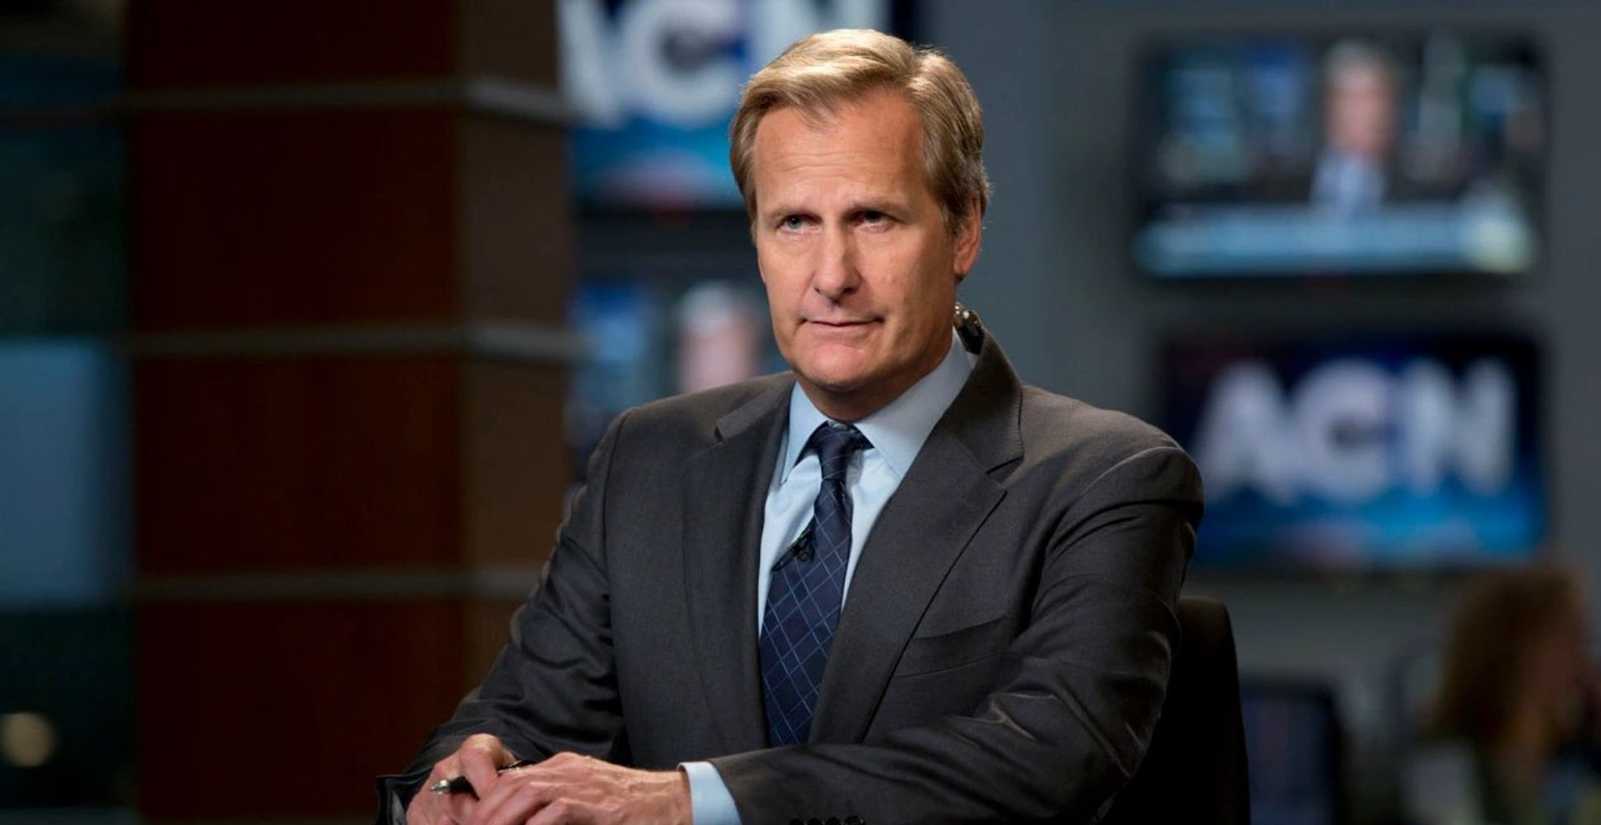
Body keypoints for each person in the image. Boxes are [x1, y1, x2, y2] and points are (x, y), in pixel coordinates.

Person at [377, 28, 1201, 825]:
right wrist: (462, 782)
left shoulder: (1105, 477)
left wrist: (689, 801)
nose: (831, 277)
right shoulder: (649, 458)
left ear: (964, 229)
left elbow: (1050, 757)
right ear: (758, 239)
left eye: (873, 219)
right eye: (794, 223)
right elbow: (522, 716)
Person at [1416, 566, 1601, 825]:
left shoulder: (1580, 766)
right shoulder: (1442, 770)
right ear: (1517, 650)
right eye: (1570, 637)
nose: (1584, 660)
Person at [1310, 40, 1402, 214]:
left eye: (1378, 98)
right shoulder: (1282, 187)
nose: (1372, 112)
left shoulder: (1421, 193)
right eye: (1356, 99)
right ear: (1330, 106)